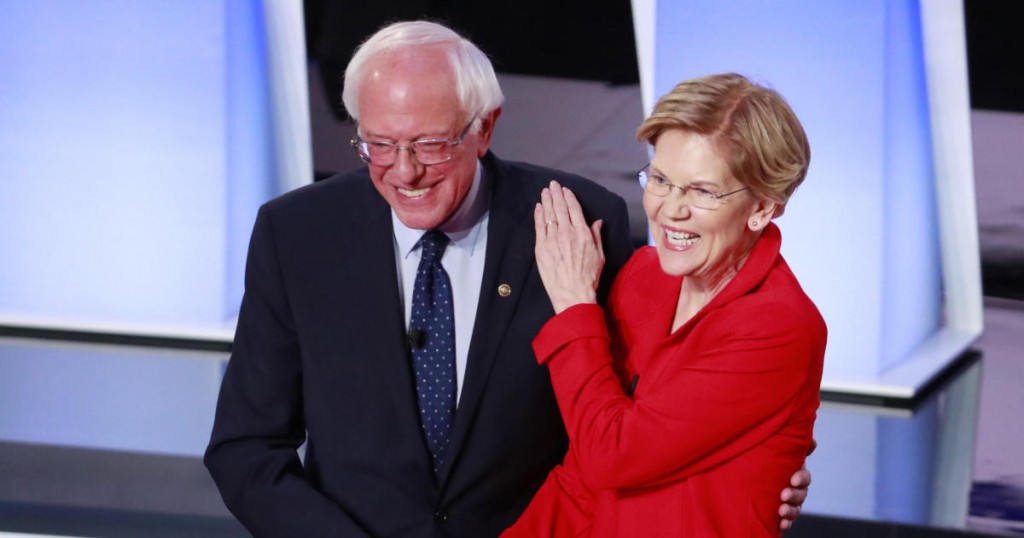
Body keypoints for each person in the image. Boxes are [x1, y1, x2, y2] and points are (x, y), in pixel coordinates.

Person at [204, 20, 810, 537]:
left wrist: (753, 468)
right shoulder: (299, 233)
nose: (405, 171)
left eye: (432, 144)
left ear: (485, 127)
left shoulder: (576, 221)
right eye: (379, 144)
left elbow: (617, 423)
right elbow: (245, 449)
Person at [504, 73, 826, 537]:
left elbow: (611, 455)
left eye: (702, 191)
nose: (669, 209)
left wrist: (576, 305)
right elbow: (580, 478)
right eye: (660, 179)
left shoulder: (777, 327)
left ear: (761, 208)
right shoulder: (642, 277)